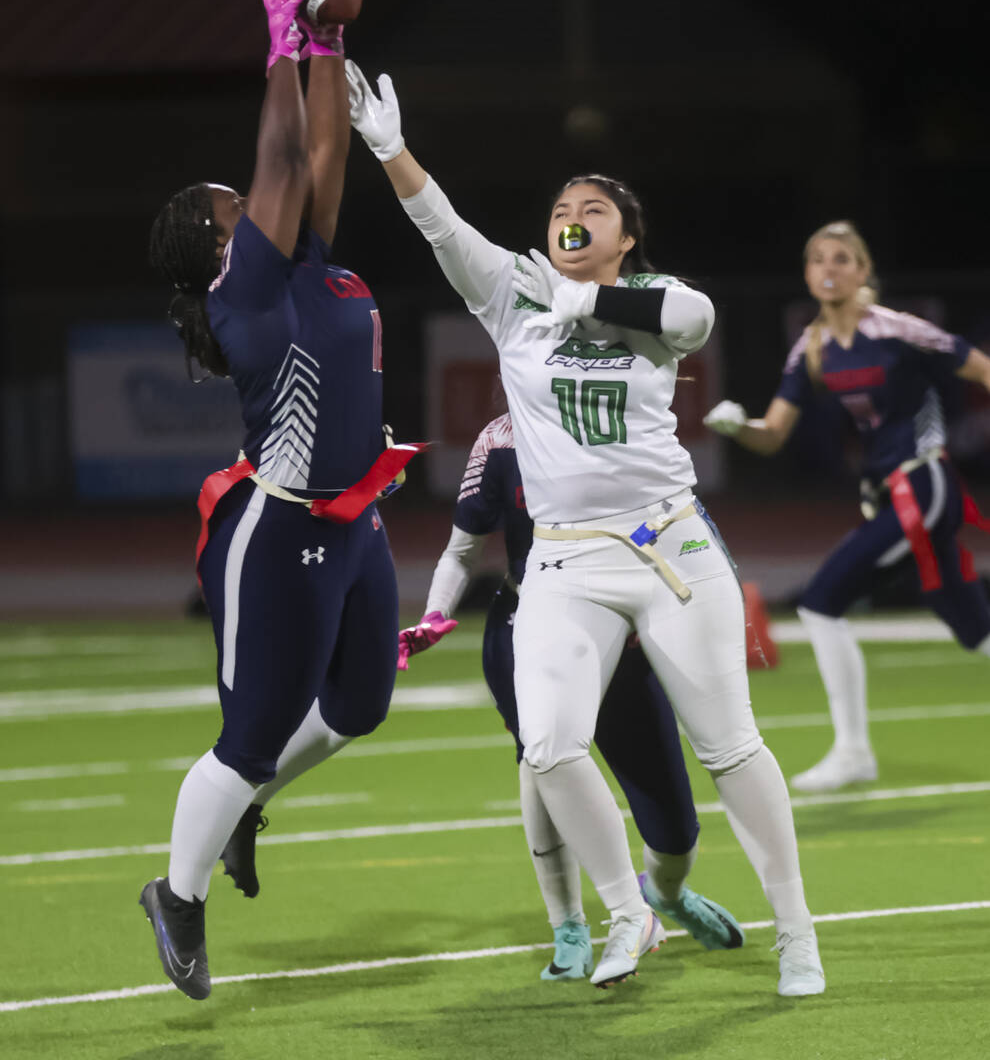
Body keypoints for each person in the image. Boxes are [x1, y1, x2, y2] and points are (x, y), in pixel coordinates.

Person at [346, 62, 824, 996]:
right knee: (550, 745)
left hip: (667, 544)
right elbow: (438, 223)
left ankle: (797, 930)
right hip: (564, 559)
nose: (572, 211)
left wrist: (593, 299)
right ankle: (628, 912)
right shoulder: (513, 296)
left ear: (626, 238)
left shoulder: (652, 298)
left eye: (593, 206)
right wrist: (388, 147)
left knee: (729, 745)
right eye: (563, 202)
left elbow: (699, 313)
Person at [140, 0, 418, 1000]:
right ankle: (178, 893)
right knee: (249, 735)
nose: (261, 197)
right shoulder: (243, 287)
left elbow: (321, 155)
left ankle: (245, 804)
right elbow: (285, 156)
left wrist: (330, 40)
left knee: (360, 705)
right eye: (239, 203)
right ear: (221, 237)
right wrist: (276, 52)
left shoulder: (304, 263)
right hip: (280, 530)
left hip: (357, 523)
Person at [400, 411, 744, 980]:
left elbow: (678, 522)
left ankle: (665, 893)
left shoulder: (625, 417)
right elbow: (462, 549)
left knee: (675, 826)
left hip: (622, 634)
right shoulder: (501, 437)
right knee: (542, 761)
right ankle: (569, 924)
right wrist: (435, 612)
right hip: (526, 626)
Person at [704, 220, 990, 791]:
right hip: (887, 493)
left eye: (842, 259)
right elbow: (773, 434)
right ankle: (854, 751)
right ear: (807, 274)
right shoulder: (811, 345)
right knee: (971, 624)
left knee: (821, 602)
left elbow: (981, 367)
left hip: (924, 484)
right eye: (817, 260)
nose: (829, 269)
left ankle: (854, 752)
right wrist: (739, 427)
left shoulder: (897, 330)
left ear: (863, 271)